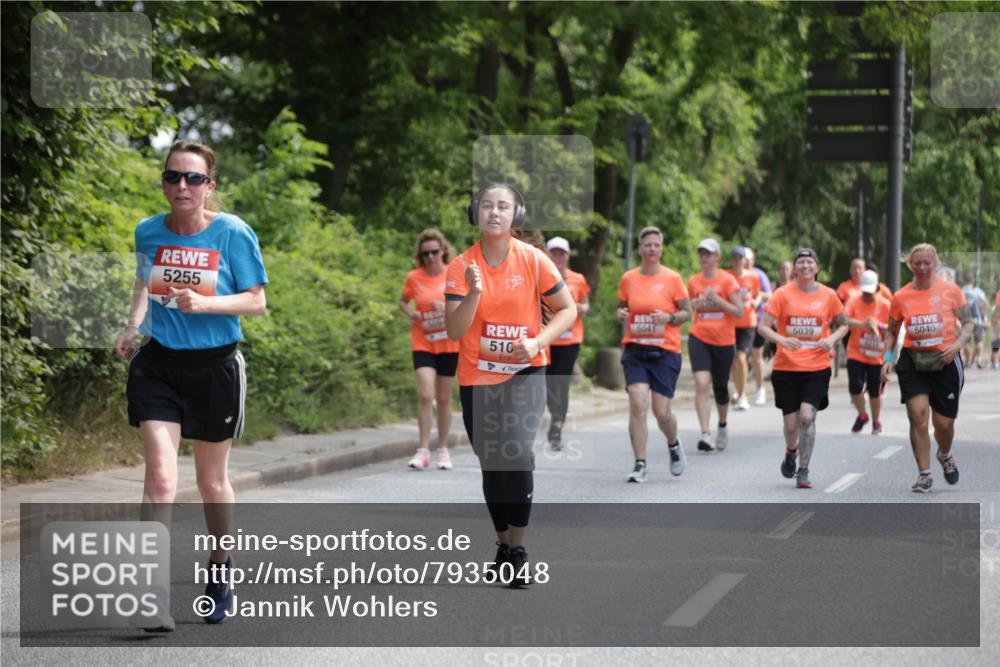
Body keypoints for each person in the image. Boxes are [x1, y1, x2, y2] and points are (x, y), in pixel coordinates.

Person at [114, 140, 268, 629]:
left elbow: (256, 301)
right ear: (164, 183)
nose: (182, 185)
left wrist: (205, 305)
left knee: (210, 482)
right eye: (174, 176)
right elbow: (144, 283)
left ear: (209, 186)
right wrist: (133, 323)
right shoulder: (148, 230)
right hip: (159, 366)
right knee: (160, 479)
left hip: (216, 368)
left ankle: (220, 569)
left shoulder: (231, 233)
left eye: (193, 178)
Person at [445, 183, 576, 587]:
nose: (494, 213)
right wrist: (474, 292)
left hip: (525, 370)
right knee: (492, 462)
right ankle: (502, 543)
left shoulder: (535, 261)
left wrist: (537, 341)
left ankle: (518, 550)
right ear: (475, 213)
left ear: (515, 215)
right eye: (486, 206)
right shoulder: (460, 267)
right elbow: (454, 329)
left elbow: (567, 310)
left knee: (516, 451)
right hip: (478, 375)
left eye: (503, 206)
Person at [881, 244, 973, 493]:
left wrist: (956, 346)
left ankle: (944, 454)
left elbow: (968, 324)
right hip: (913, 361)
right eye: (917, 263)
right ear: (910, 264)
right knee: (918, 416)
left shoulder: (951, 291)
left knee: (943, 425)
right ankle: (924, 474)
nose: (922, 268)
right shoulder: (901, 296)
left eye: (926, 263)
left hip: (945, 361)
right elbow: (891, 330)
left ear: (935, 264)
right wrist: (888, 356)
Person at [757, 248, 848, 489]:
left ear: (817, 269)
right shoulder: (782, 294)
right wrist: (780, 339)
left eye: (810, 262)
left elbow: (844, 325)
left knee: (807, 417)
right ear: (795, 268)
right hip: (786, 367)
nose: (805, 265)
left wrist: (831, 340)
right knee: (790, 425)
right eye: (801, 262)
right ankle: (791, 450)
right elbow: (763, 327)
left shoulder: (828, 295)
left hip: (817, 366)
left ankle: (804, 470)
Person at [617, 227, 692, 483]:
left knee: (662, 413)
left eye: (656, 245)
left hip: (665, 351)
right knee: (638, 403)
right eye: (647, 244)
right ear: (639, 248)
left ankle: (673, 443)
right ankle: (640, 463)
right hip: (635, 349)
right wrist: (622, 314)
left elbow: (687, 312)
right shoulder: (629, 278)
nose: (651, 249)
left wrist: (669, 317)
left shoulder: (672, 278)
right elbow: (622, 307)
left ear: (661, 249)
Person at [400, 229, 460, 470]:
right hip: (423, 341)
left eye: (434, 252)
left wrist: (445, 307)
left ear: (443, 251)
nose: (430, 257)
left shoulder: (454, 274)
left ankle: (443, 449)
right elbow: (403, 300)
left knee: (444, 399)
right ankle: (423, 450)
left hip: (449, 342)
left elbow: (467, 305)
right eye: (425, 254)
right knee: (426, 394)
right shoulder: (414, 277)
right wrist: (411, 313)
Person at [687, 239, 743, 452]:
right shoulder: (693, 282)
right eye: (701, 254)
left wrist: (716, 299)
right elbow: (687, 309)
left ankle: (722, 425)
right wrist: (693, 304)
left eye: (708, 254)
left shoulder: (728, 281)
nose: (704, 258)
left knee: (720, 387)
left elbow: (739, 311)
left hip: (724, 340)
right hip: (699, 336)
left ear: (717, 257)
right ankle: (705, 433)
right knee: (701, 383)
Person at [544, 236, 591, 451]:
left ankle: (556, 427)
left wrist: (581, 308)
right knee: (547, 385)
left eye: (561, 253)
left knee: (560, 385)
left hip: (570, 340)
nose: (558, 257)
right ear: (547, 254)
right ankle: (555, 417)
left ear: (567, 256)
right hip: (546, 340)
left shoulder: (578, 279)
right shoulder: (540, 277)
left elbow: (585, 303)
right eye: (554, 253)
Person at [844, 270, 891, 435]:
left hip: (877, 356)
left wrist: (878, 327)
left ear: (877, 288)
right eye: (864, 291)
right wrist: (863, 324)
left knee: (875, 391)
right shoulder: (854, 301)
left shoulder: (885, 305)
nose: (867, 295)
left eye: (870, 292)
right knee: (855, 387)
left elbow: (894, 330)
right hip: (856, 352)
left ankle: (876, 421)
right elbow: (845, 320)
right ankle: (863, 415)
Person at [727, 246, 761, 411]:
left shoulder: (752, 276)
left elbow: (758, 293)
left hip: (748, 322)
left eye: (741, 258)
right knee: (733, 360)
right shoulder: (726, 276)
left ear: (745, 260)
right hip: (730, 322)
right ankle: (738, 389)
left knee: (741, 358)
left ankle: (743, 395)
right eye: (735, 258)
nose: (738, 261)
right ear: (731, 260)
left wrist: (756, 302)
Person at [745, 247, 772, 406]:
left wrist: (759, 294)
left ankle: (760, 389)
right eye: (744, 258)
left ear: (753, 260)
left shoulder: (759, 275)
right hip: (740, 321)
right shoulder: (735, 276)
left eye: (749, 258)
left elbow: (769, 294)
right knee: (739, 357)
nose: (746, 261)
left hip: (758, 319)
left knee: (756, 355)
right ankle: (740, 390)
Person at [959, 273, 989, 369]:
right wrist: (982, 311)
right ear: (973, 281)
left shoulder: (961, 291)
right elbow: (985, 304)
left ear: (964, 281)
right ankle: (979, 359)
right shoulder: (978, 291)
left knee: (966, 342)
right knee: (979, 340)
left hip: (965, 321)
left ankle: (968, 361)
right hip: (978, 321)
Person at [992, 288, 1000, 369]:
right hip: (997, 320)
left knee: (996, 340)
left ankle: (994, 362)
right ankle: (994, 362)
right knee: (996, 341)